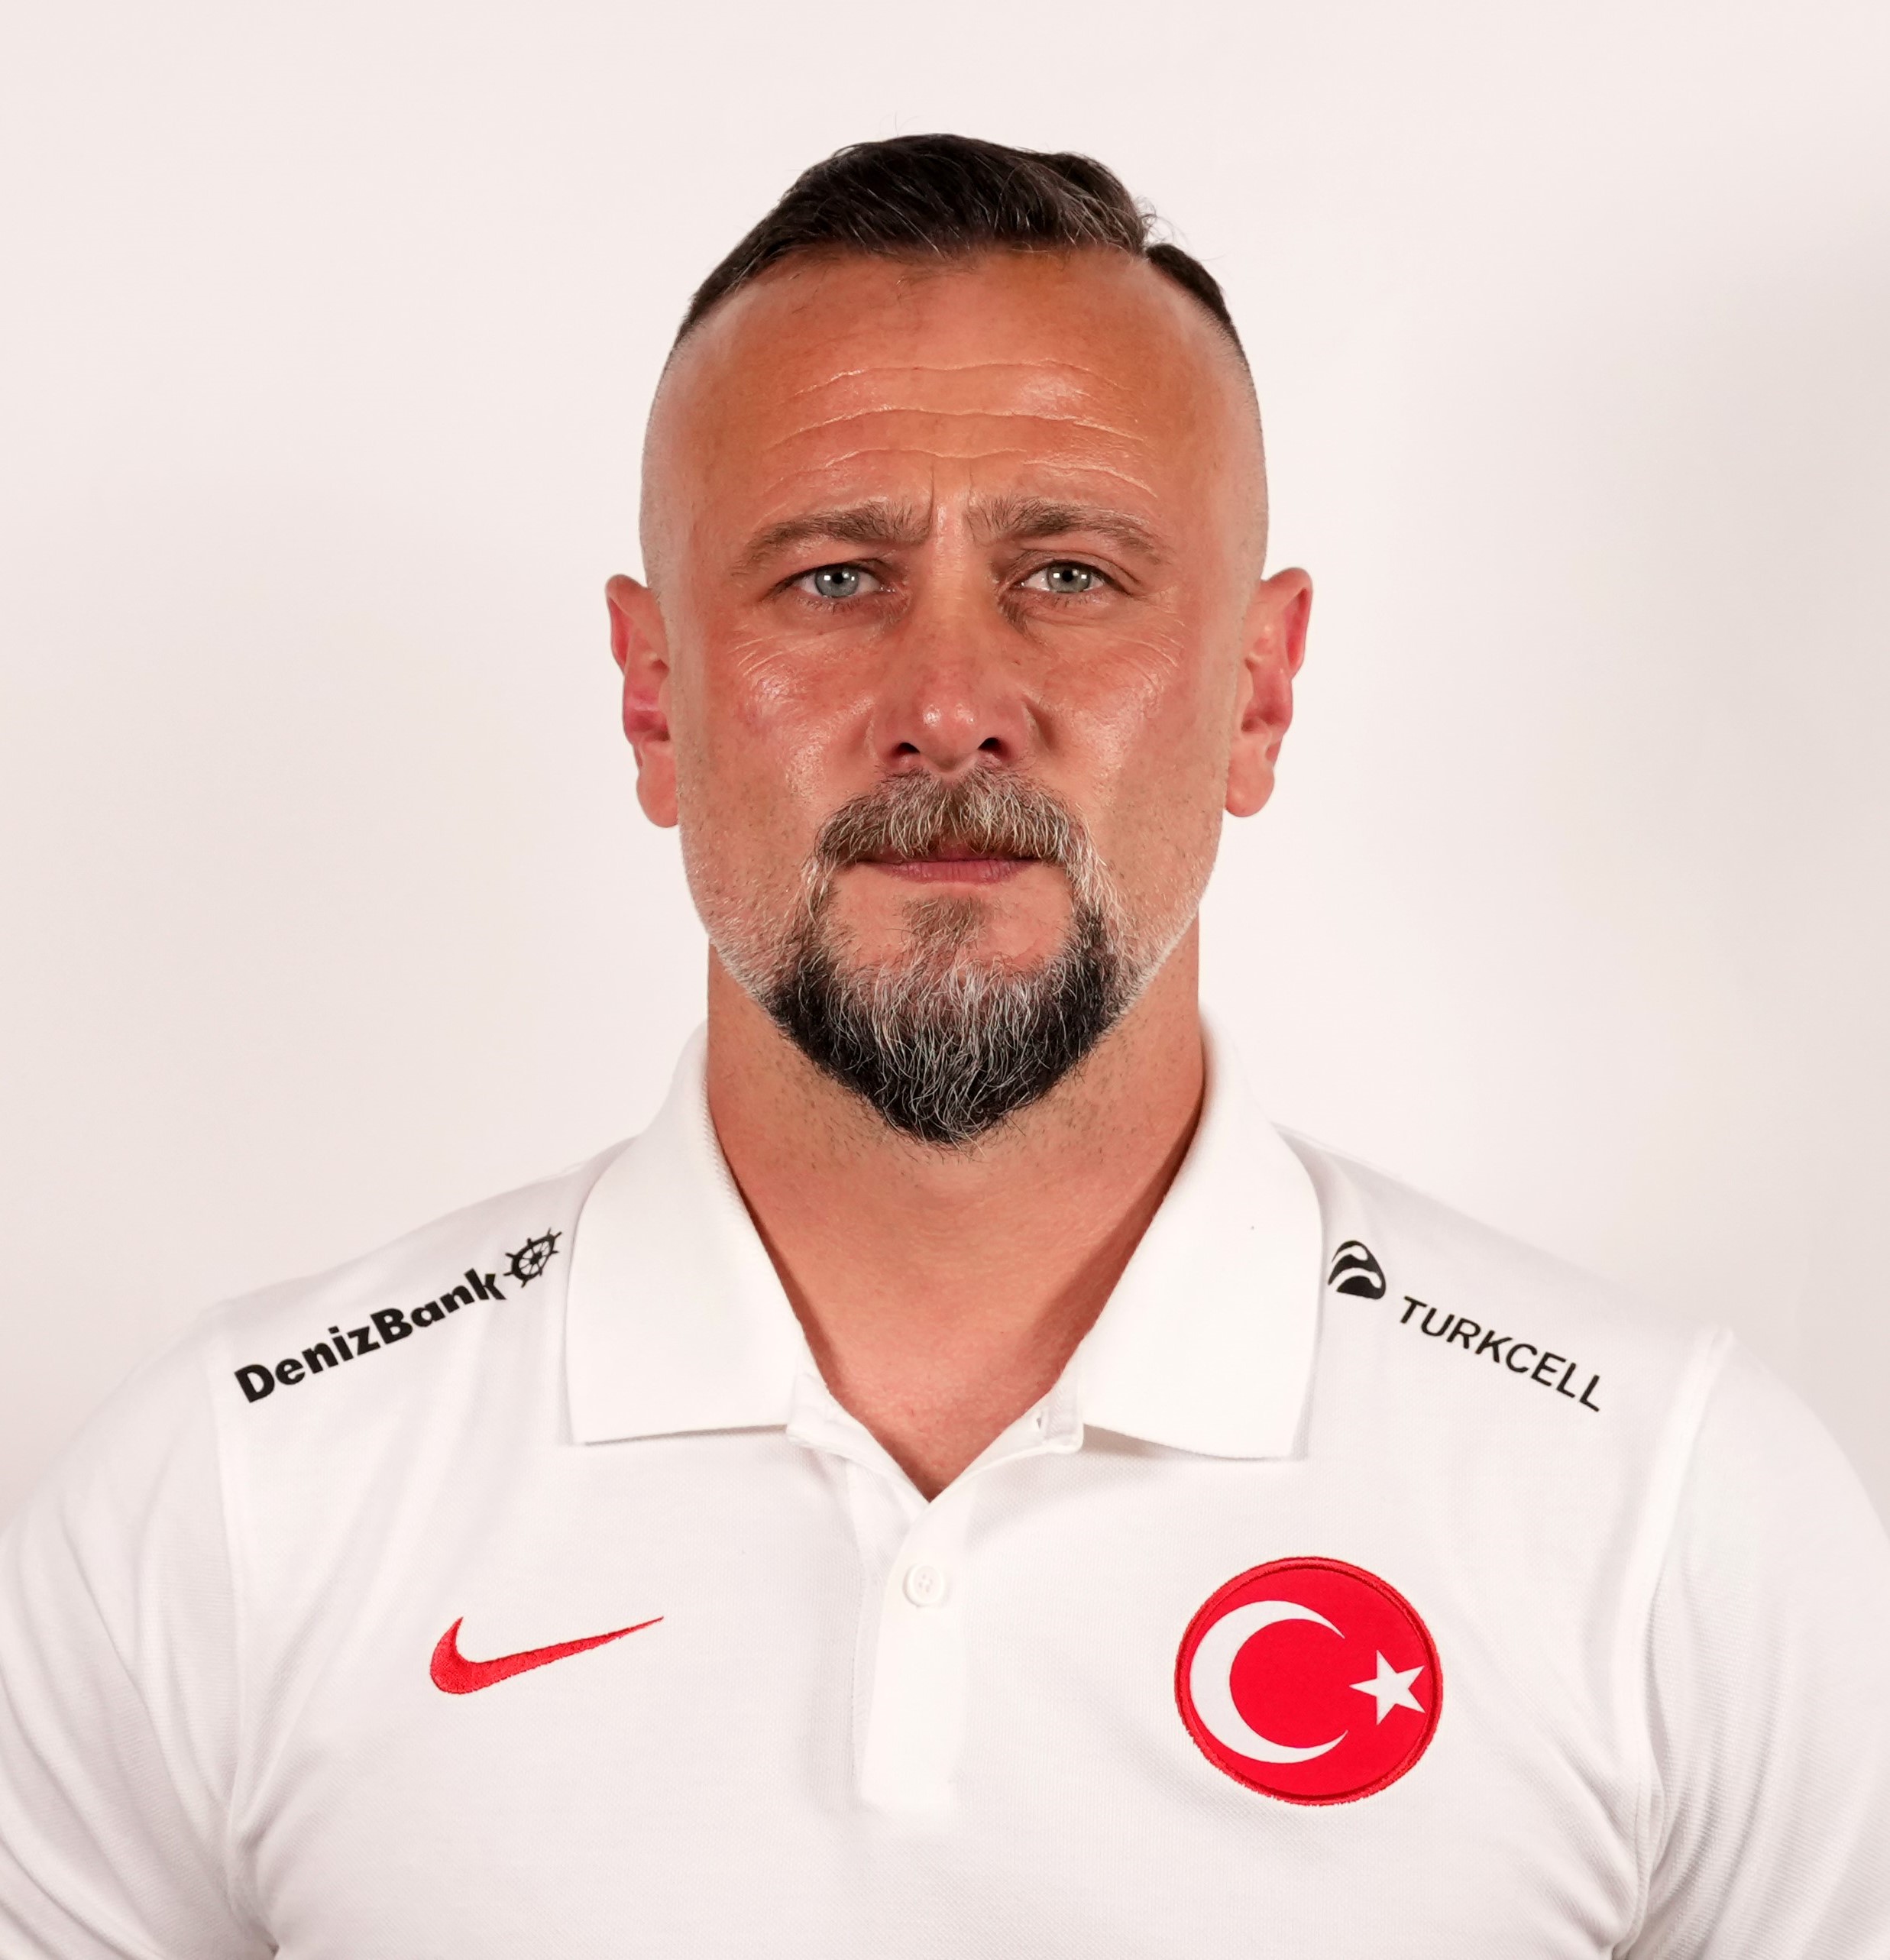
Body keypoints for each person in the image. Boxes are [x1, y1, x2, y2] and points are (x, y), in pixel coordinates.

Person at [0, 133, 1884, 1958]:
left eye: (1070, 574)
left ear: (1257, 689)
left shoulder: (1665, 1510)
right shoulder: (238, 1496)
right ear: (654, 699)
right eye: (833, 576)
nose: (953, 704)